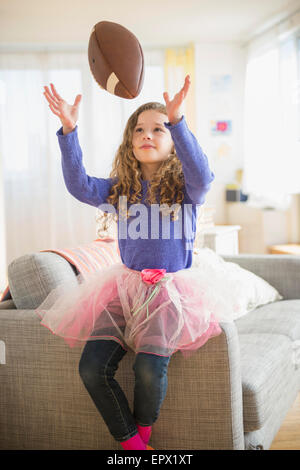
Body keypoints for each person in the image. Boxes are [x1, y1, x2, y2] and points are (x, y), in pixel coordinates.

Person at [38, 76, 230, 451]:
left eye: (159, 129)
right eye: (139, 129)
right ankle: (130, 443)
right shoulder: (119, 189)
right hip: (123, 288)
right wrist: (69, 129)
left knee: (148, 367)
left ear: (174, 142)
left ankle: (143, 434)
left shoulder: (189, 189)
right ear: (129, 141)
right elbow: (78, 185)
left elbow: (204, 174)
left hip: (171, 291)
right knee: (92, 368)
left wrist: (178, 120)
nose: (147, 134)